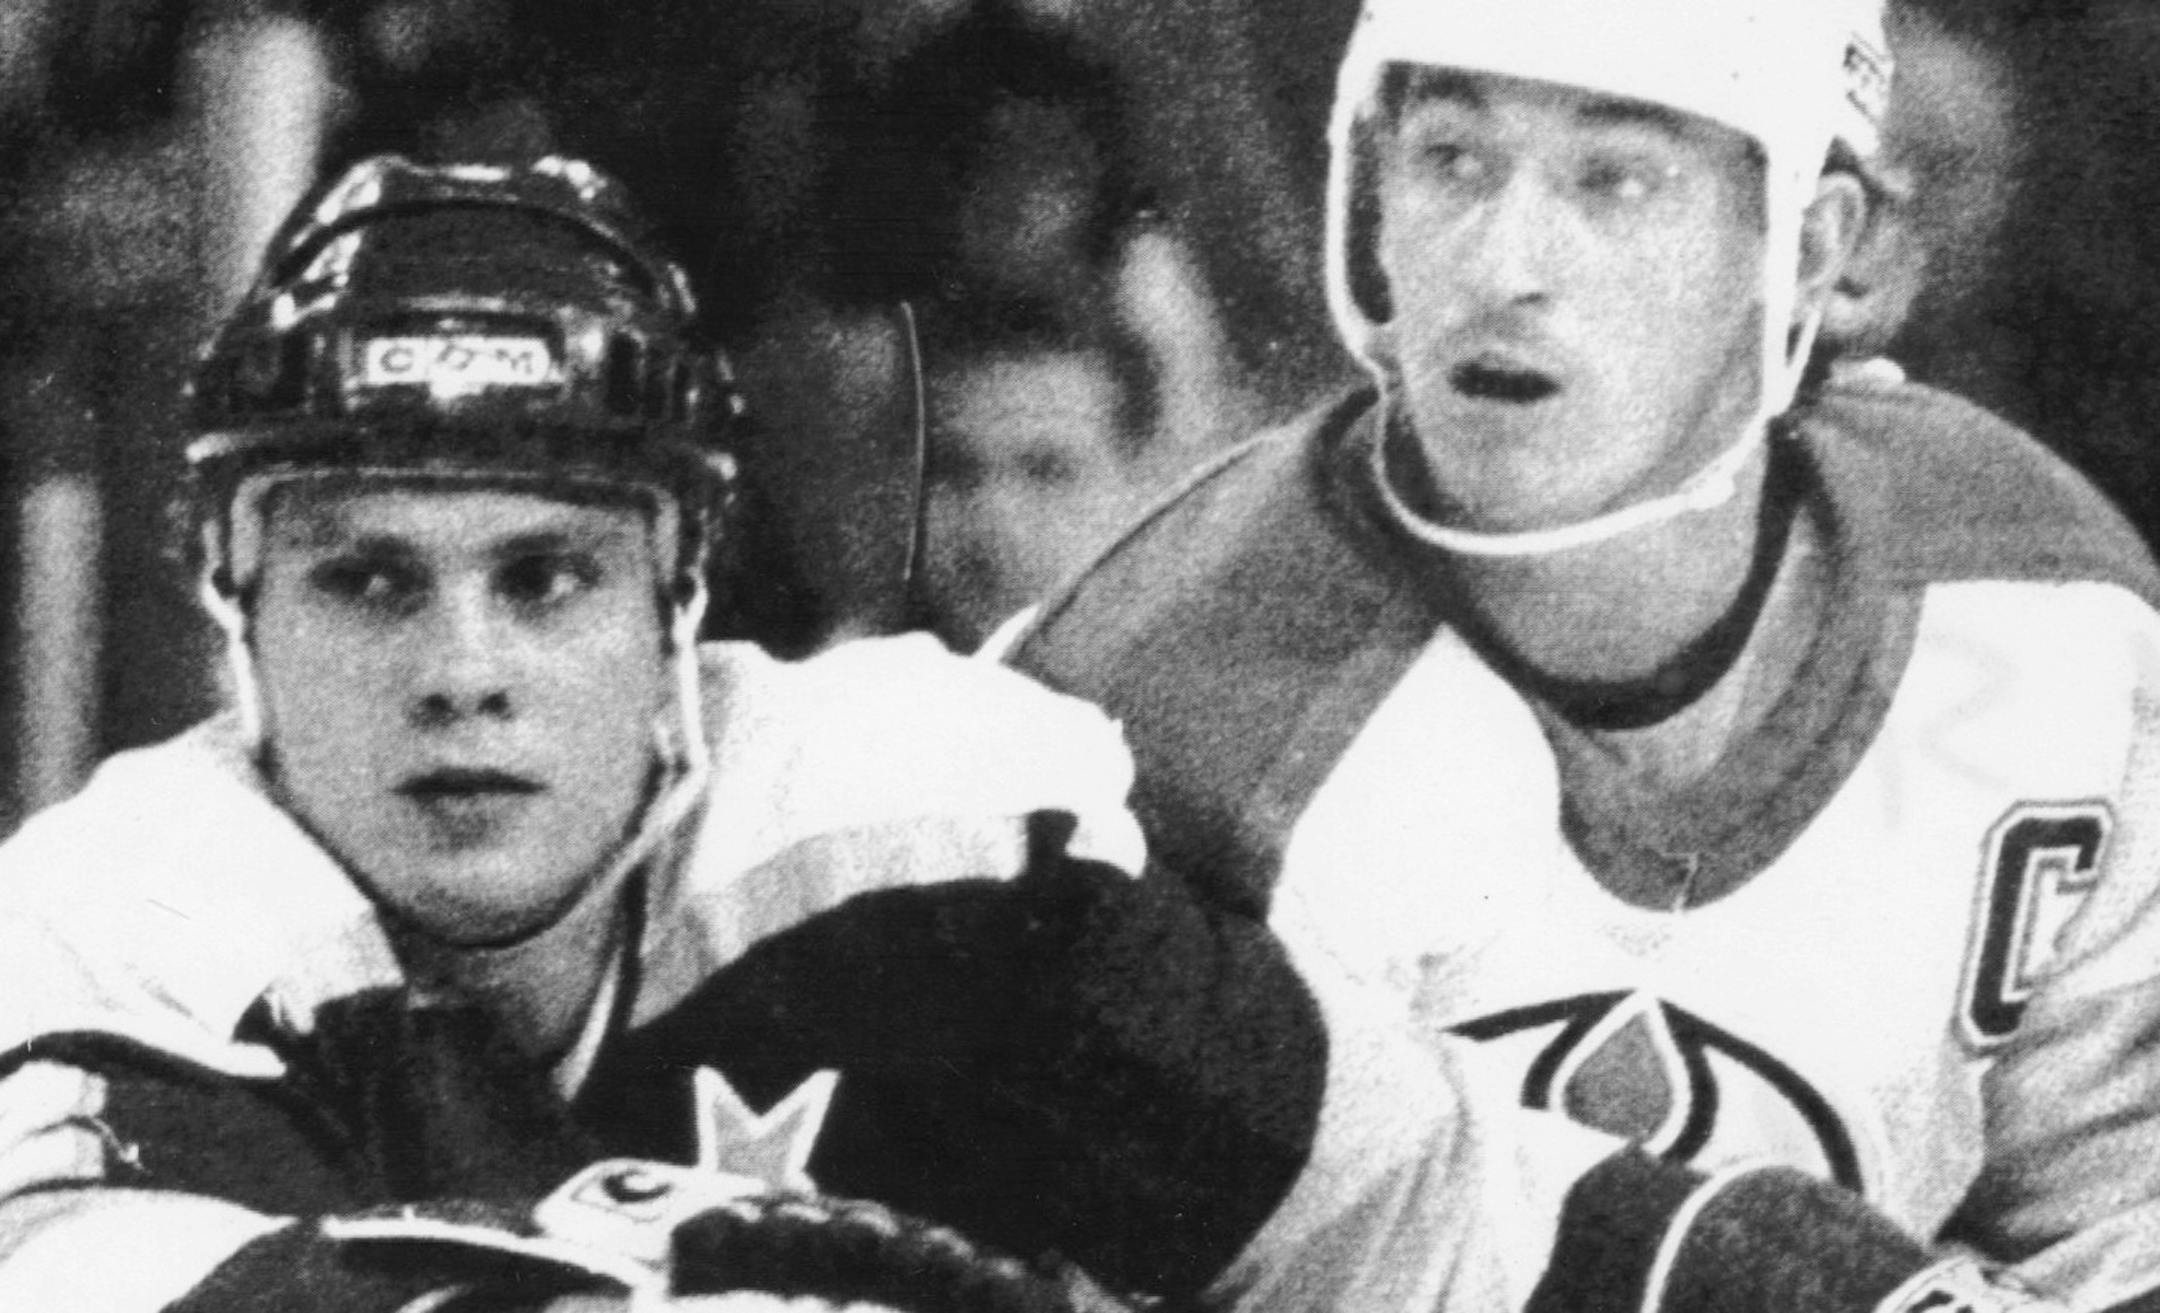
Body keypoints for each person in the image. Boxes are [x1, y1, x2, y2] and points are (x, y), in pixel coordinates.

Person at [0, 153, 2055, 1313]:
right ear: (237, 608)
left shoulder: (910, 841)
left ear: (678, 602)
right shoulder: (115, 922)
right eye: (370, 580)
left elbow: (1448, 1217)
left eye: (546, 576)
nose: (464, 668)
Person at [1005, 0, 2160, 1309]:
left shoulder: (2039, 602)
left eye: (1616, 179)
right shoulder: (1150, 687)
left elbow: (2118, 1232)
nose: (1501, 266)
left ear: (1812, 250)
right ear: (1371, 198)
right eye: (1452, 160)